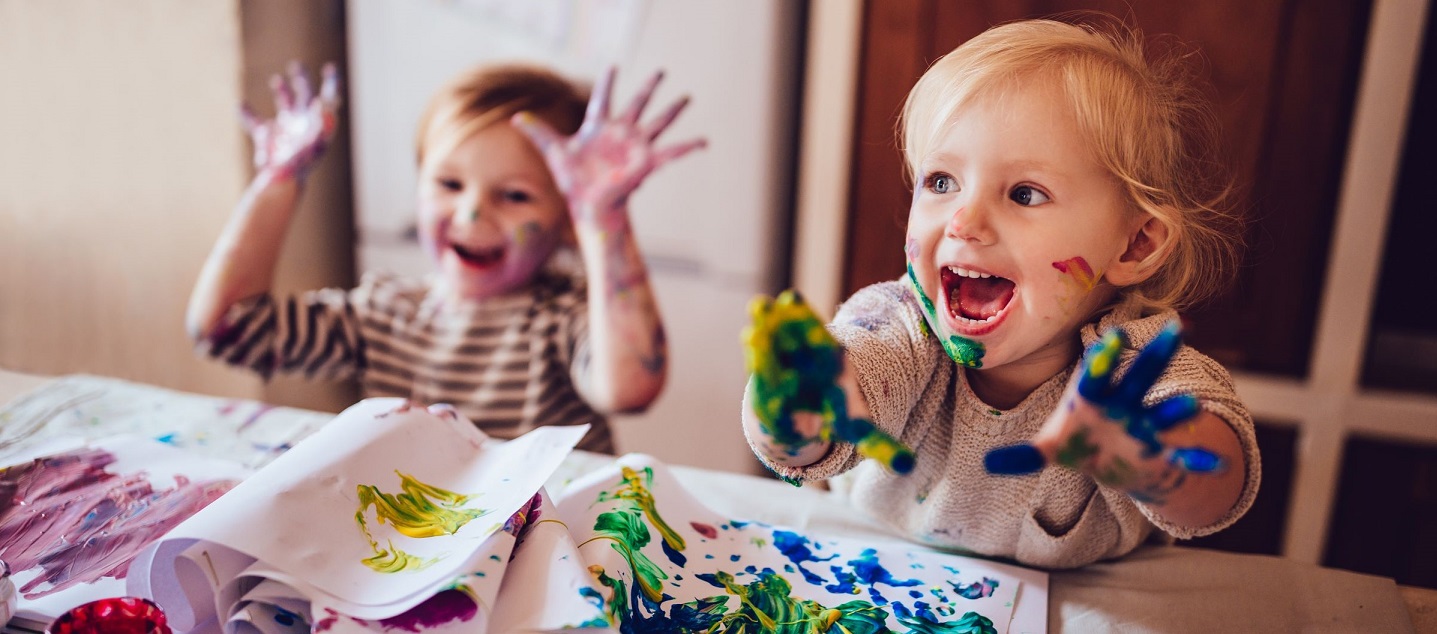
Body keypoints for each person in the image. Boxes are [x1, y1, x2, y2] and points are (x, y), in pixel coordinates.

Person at [742, 17, 1259, 569]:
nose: (965, 222)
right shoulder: (901, 324)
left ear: (1133, 245)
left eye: (1025, 193)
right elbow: (811, 434)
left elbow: (1218, 492)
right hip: (873, 577)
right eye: (942, 181)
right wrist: (789, 412)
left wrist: (1150, 460)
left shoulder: (1130, 372)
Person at [187, 62, 703, 454]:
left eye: (515, 195)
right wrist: (278, 182)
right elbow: (227, 329)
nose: (472, 211)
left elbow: (631, 388)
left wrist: (604, 219)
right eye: (449, 183)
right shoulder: (384, 314)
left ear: (567, 220)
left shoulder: (564, 320)